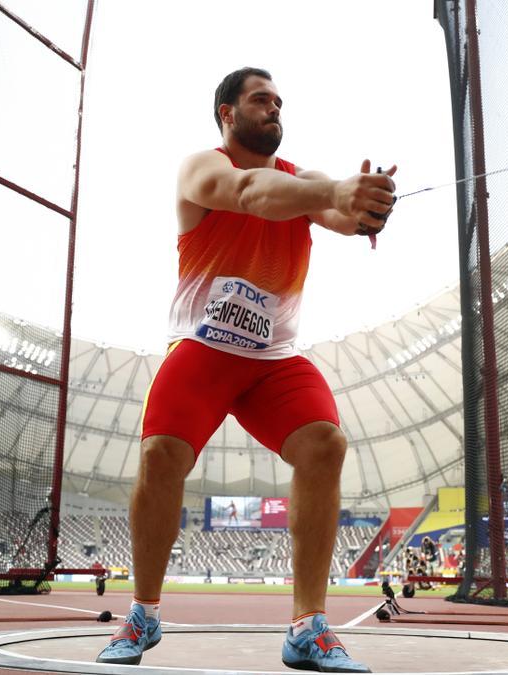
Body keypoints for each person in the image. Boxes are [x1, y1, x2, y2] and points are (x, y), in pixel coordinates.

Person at [96, 67, 396, 672]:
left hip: (272, 363)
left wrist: (365, 207)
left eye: (280, 102)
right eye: (261, 100)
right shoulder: (200, 168)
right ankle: (143, 615)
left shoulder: (304, 180)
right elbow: (248, 195)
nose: (274, 109)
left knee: (325, 444)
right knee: (159, 456)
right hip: (204, 352)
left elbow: (338, 214)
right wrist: (335, 194)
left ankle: (308, 628)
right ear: (227, 113)